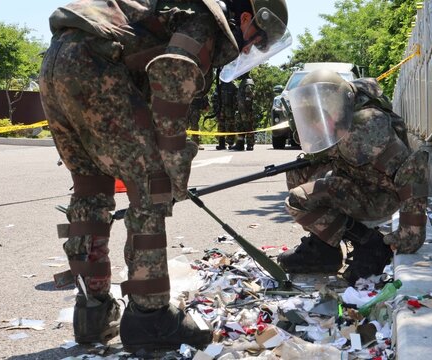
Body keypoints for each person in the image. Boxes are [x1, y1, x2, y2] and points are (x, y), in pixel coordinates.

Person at [38, 0, 289, 351]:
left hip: (56, 63)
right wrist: (173, 164)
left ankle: (92, 313)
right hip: (95, 65)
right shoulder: (205, 18)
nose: (250, 49)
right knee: (152, 187)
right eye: (256, 40)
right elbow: (172, 74)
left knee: (90, 185)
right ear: (246, 18)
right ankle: (150, 317)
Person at [277, 69, 429, 285]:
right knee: (297, 173)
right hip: (359, 181)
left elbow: (412, 170)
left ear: (335, 110)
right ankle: (324, 250)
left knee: (299, 199)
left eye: (317, 117)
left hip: (380, 196)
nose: (314, 125)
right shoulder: (340, 124)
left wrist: (410, 234)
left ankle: (370, 244)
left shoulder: (365, 129)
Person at [214, 79, 239, 150]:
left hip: (230, 109)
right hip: (221, 109)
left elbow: (237, 98)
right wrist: (216, 108)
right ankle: (221, 143)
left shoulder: (233, 86)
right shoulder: (219, 86)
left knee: (231, 126)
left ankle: (231, 143)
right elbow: (215, 98)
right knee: (221, 126)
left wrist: (235, 109)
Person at [235, 72, 256, 151]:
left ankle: (250, 144)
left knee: (248, 126)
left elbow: (249, 97)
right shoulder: (243, 82)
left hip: (246, 111)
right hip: (241, 110)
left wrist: (246, 109)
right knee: (240, 126)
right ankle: (240, 144)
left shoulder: (247, 82)